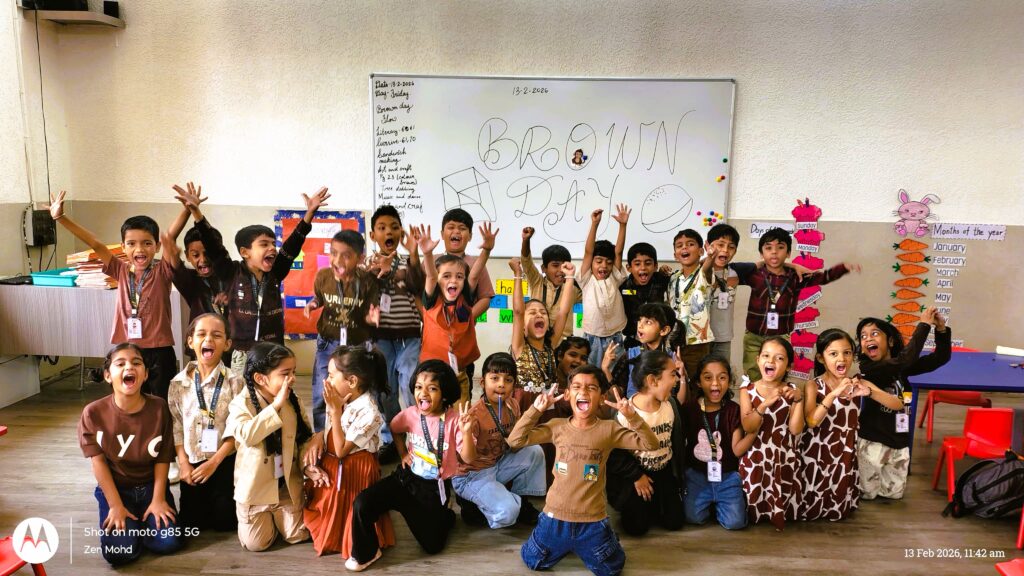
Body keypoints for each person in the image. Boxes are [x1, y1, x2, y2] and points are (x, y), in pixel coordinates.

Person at [509, 365, 659, 576]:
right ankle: (572, 545)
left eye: (592, 388)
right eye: (577, 387)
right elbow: (515, 441)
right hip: (554, 519)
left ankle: (595, 541)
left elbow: (651, 444)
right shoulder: (556, 426)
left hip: (592, 523)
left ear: (602, 397)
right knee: (533, 561)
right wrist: (536, 409)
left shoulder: (609, 429)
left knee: (611, 569)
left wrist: (632, 416)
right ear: (567, 395)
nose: (583, 392)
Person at [49, 191, 179, 399]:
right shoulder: (120, 269)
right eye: (132, 243)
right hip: (128, 350)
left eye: (147, 243)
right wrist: (60, 218)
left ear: (157, 246)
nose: (139, 249)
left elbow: (170, 236)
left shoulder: (162, 272)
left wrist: (188, 209)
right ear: (123, 247)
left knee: (162, 403)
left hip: (159, 351)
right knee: (130, 401)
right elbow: (95, 244)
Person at [347, 360, 472, 572]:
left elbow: (468, 458)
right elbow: (395, 428)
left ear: (445, 394)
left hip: (433, 488)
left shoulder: (454, 420)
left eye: (432, 388)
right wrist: (403, 454)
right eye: (418, 387)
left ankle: (446, 515)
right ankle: (367, 553)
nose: (423, 393)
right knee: (362, 502)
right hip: (406, 478)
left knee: (433, 546)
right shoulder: (411, 414)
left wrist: (467, 433)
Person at [195, 187, 330, 374]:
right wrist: (196, 212)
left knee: (272, 388)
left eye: (273, 244)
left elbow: (292, 246)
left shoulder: (276, 273)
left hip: (272, 350)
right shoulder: (231, 272)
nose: (272, 248)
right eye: (264, 244)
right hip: (242, 352)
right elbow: (214, 247)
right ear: (245, 252)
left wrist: (309, 215)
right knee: (242, 391)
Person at [78, 343, 183, 565]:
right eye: (120, 364)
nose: (129, 367)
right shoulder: (93, 413)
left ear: (145, 374)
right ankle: (135, 528)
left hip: (151, 486)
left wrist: (158, 499)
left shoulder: (159, 407)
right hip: (117, 488)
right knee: (119, 553)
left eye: (137, 363)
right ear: (108, 375)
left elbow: (163, 457)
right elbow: (98, 462)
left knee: (169, 543)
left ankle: (140, 525)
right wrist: (115, 505)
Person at [731, 227, 859, 383]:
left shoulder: (796, 276)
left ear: (788, 253)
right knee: (753, 373)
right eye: (768, 248)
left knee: (778, 374)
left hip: (781, 335)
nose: (774, 252)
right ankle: (753, 396)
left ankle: (777, 397)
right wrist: (761, 264)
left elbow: (822, 277)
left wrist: (843, 268)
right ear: (761, 253)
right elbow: (731, 269)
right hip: (754, 337)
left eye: (780, 247)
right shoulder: (754, 274)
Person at [799, 328, 902, 520]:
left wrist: (869, 392)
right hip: (816, 453)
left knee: (839, 503)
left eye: (847, 353)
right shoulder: (813, 385)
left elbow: (897, 404)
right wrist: (833, 394)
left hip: (844, 451)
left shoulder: (859, 383)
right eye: (833, 354)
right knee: (812, 498)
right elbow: (812, 421)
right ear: (821, 358)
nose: (842, 358)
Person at [302, 346, 395, 558]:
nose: (326, 380)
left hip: (355, 469)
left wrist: (335, 412)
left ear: (352, 381)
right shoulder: (339, 397)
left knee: (353, 515)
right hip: (335, 464)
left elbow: (342, 450)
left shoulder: (369, 412)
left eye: (331, 375)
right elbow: (329, 431)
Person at [226, 342, 314, 551]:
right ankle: (264, 517)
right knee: (257, 544)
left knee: (297, 535)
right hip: (256, 490)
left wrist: (308, 466)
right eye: (285, 374)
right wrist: (275, 406)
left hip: (286, 487)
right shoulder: (241, 403)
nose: (292, 378)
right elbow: (247, 436)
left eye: (293, 372)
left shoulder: (294, 401)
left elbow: (304, 439)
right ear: (260, 378)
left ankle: (279, 515)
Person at [856, 308, 948, 500]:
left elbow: (940, 358)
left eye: (874, 334)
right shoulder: (869, 368)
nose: (868, 338)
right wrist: (923, 325)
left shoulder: (902, 367)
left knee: (894, 495)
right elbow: (905, 359)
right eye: (863, 336)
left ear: (890, 341)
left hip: (898, 440)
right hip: (873, 441)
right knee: (867, 494)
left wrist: (940, 330)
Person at [168, 313, 244, 532]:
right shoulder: (178, 383)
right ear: (190, 341)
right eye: (201, 334)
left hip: (224, 461)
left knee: (224, 523)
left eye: (217, 335)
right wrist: (183, 464)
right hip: (192, 462)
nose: (208, 339)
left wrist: (214, 462)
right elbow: (176, 426)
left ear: (227, 344)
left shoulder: (235, 382)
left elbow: (237, 428)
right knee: (192, 523)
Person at [452, 352, 546, 528]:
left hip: (496, 464)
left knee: (534, 451)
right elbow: (467, 459)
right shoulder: (473, 416)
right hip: (471, 476)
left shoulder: (512, 404)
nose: (501, 384)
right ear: (483, 382)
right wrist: (466, 432)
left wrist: (535, 412)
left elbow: (515, 445)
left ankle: (521, 501)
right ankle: (471, 503)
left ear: (514, 385)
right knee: (509, 513)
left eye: (508, 380)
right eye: (495, 378)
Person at [364, 205, 425, 463]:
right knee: (384, 390)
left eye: (394, 227)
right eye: (382, 228)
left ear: (401, 233)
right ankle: (391, 438)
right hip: (381, 338)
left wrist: (414, 254)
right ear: (373, 235)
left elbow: (419, 285)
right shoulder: (368, 264)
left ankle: (418, 436)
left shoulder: (409, 261)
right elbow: (364, 293)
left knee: (411, 383)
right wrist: (381, 273)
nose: (388, 232)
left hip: (409, 335)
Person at [304, 229, 380, 432]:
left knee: (357, 391)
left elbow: (368, 313)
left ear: (360, 258)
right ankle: (321, 436)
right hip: (328, 342)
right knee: (322, 390)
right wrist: (313, 304)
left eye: (346, 255)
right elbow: (319, 298)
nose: (337, 260)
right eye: (333, 253)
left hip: (357, 345)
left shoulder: (367, 281)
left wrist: (372, 318)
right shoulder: (323, 276)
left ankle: (353, 435)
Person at [606, 350, 686, 536]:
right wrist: (636, 476)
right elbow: (615, 455)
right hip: (636, 474)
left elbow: (677, 443)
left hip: (663, 470)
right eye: (672, 375)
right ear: (653, 381)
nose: (676, 380)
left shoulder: (671, 406)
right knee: (636, 528)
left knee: (675, 522)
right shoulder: (625, 414)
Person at [417, 222, 497, 405]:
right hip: (432, 372)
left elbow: (474, 275)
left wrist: (487, 250)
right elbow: (430, 276)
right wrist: (427, 254)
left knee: (461, 413)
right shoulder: (431, 300)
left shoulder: (465, 300)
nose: (453, 280)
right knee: (433, 411)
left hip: (459, 372)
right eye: (446, 276)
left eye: (459, 277)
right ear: (438, 281)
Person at [738, 337, 805, 530]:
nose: (771, 361)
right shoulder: (747, 390)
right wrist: (765, 404)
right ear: (758, 360)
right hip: (756, 458)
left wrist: (798, 401)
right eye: (766, 356)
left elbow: (795, 429)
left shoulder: (792, 391)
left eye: (779, 358)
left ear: (789, 366)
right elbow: (749, 426)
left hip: (784, 457)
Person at [683, 355, 754, 530]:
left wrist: (755, 429)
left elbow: (737, 450)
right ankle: (712, 504)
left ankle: (723, 502)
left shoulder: (734, 410)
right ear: (698, 382)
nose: (715, 383)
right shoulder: (690, 408)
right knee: (692, 517)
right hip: (697, 475)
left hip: (727, 476)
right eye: (708, 378)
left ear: (729, 381)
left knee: (735, 523)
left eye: (722, 377)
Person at [508, 257, 575, 408]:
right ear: (523, 326)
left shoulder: (550, 345)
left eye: (543, 313)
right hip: (525, 406)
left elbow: (563, 312)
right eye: (532, 312)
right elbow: (518, 312)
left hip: (548, 406)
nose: (539, 314)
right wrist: (518, 274)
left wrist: (570, 277)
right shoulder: (520, 347)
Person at [165, 182, 232, 321]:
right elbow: (169, 238)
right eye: (195, 255)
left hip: (229, 334)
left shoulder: (231, 274)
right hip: (200, 334)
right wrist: (188, 209)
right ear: (187, 256)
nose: (203, 259)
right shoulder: (190, 280)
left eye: (208, 253)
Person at [580, 206, 630, 368]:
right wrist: (594, 224)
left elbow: (618, 252)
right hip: (592, 336)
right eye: (599, 261)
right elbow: (588, 252)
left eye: (608, 262)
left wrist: (622, 226)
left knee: (614, 374)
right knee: (592, 372)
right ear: (592, 262)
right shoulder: (586, 279)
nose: (604, 266)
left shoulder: (614, 277)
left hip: (614, 336)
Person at [666, 229, 718, 384]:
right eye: (679, 245)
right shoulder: (673, 278)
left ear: (700, 251)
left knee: (694, 382)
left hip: (697, 342)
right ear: (675, 255)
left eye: (690, 244)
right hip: (674, 340)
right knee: (675, 383)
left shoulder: (704, 274)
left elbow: (706, 268)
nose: (684, 248)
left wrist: (710, 257)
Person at [520, 227, 580, 340]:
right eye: (555, 265)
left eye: (564, 265)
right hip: (537, 340)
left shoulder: (573, 288)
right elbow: (526, 261)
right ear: (544, 268)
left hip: (563, 343)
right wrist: (526, 240)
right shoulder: (536, 281)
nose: (561, 270)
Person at [619, 242, 671, 350]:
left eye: (648, 263)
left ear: (655, 266)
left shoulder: (661, 280)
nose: (643, 268)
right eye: (637, 264)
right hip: (633, 341)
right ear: (629, 267)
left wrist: (664, 271)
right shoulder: (623, 287)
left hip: (658, 340)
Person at [705, 224, 740, 367]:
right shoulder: (696, 270)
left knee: (721, 372)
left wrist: (793, 266)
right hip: (699, 338)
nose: (725, 250)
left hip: (723, 337)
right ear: (707, 246)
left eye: (731, 247)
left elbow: (765, 264)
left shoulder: (736, 272)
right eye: (720, 245)